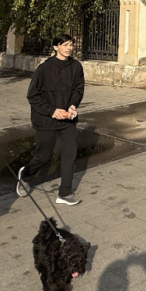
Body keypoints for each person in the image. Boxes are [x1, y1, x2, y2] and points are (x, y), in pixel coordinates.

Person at [16, 34, 85, 206]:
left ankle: (65, 193)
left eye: (71, 45)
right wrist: (52, 111)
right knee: (43, 156)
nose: (69, 48)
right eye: (65, 45)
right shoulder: (44, 69)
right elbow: (32, 95)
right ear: (56, 47)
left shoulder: (76, 66)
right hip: (46, 120)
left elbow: (78, 89)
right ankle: (25, 175)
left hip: (67, 120)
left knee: (70, 155)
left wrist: (72, 106)